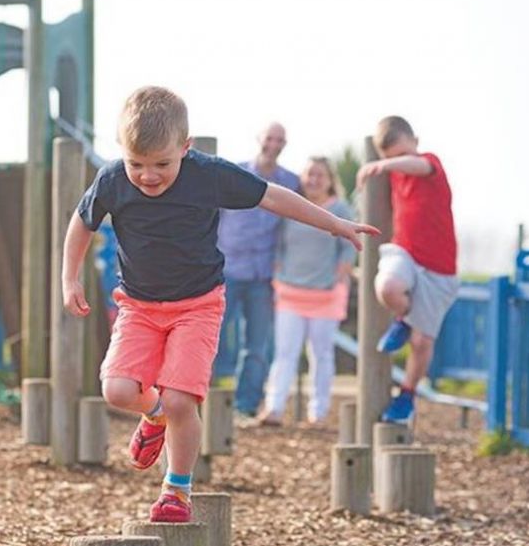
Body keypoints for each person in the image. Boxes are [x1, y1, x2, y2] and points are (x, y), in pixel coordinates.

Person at [61, 86, 378, 522]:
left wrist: (332, 223)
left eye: (162, 164)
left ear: (185, 148)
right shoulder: (113, 180)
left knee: (180, 400)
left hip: (197, 305)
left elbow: (271, 196)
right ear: (122, 151)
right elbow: (82, 222)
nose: (148, 176)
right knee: (117, 391)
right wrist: (70, 277)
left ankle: (176, 489)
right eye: (137, 164)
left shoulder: (206, 175)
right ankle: (153, 415)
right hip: (138, 306)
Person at [357, 116, 459, 424]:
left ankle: (407, 395)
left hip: (439, 269)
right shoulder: (392, 174)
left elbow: (416, 165)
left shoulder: (428, 163)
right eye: (390, 157)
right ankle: (403, 318)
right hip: (405, 252)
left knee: (421, 342)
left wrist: (386, 164)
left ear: (415, 141)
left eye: (402, 153)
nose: (397, 162)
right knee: (387, 287)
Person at [258, 157, 356, 426]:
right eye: (310, 174)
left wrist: (340, 276)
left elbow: (348, 248)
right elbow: (279, 245)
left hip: (326, 294)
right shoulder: (292, 206)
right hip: (290, 292)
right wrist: (278, 273)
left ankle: (319, 413)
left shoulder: (340, 209)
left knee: (322, 355)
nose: (314, 180)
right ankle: (275, 408)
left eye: (320, 175)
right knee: (285, 353)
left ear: (330, 180)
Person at [217, 123, 300, 420]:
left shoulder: (291, 181)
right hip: (225, 269)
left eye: (280, 140)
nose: (273, 144)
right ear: (259, 139)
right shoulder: (234, 173)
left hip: (263, 275)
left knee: (256, 345)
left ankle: (245, 406)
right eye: (269, 138)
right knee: (209, 337)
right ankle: (200, 402)